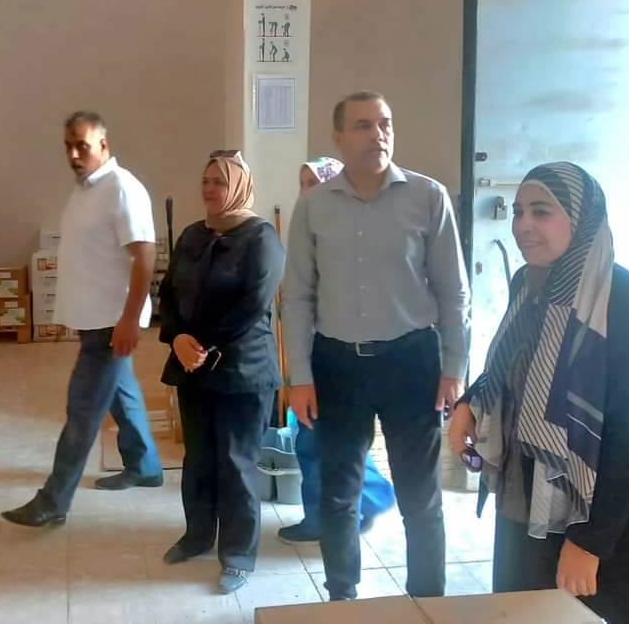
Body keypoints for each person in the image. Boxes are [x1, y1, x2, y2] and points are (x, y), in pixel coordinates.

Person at [449, 162, 629, 624]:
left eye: (541, 212)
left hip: (601, 513)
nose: (523, 225)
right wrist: (471, 402)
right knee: (522, 613)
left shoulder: (627, 302)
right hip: (526, 496)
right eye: (518, 211)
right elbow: (510, 366)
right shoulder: (528, 284)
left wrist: (589, 542)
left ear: (581, 218)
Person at [282, 91, 470, 601]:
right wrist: (300, 376)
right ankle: (342, 596)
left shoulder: (428, 197)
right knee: (338, 495)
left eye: (384, 123)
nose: (378, 134)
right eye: (363, 125)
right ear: (339, 138)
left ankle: (427, 602)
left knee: (420, 497)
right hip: (337, 366)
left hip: (412, 362)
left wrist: (454, 368)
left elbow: (453, 291)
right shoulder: (314, 205)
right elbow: (297, 296)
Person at [2, 111, 163, 528]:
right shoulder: (86, 190)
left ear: (104, 145)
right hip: (95, 319)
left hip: (112, 322)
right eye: (68, 147)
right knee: (121, 393)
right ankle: (145, 465)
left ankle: (53, 500)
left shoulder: (122, 188)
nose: (74, 155)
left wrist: (130, 319)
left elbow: (145, 256)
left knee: (82, 410)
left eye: (83, 146)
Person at [157, 150, 285, 594]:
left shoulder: (262, 238)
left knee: (236, 462)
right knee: (198, 458)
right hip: (191, 365)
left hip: (242, 370)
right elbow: (168, 294)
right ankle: (197, 536)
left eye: (220, 181)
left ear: (240, 186)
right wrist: (176, 337)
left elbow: (251, 305)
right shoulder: (193, 235)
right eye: (206, 181)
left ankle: (238, 555)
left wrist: (203, 344)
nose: (210, 189)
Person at [278, 157, 396, 545]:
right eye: (302, 183)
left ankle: (348, 508)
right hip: (310, 357)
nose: (307, 191)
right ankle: (355, 504)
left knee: (322, 442)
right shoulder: (306, 230)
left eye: (314, 183)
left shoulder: (345, 239)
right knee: (318, 440)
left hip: (336, 357)